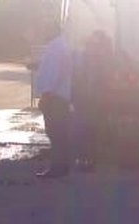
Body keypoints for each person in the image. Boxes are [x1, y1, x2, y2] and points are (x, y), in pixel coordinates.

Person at [33, 26, 74, 178]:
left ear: (53, 31)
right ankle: (63, 166)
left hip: (55, 97)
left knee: (55, 133)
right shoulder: (61, 45)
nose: (43, 32)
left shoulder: (55, 48)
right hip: (60, 96)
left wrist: (46, 95)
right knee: (60, 133)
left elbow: (53, 74)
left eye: (46, 29)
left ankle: (57, 167)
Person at [71, 30, 113, 172]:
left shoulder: (105, 62)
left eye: (96, 45)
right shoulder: (81, 59)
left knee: (93, 131)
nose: (93, 48)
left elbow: (106, 83)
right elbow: (75, 78)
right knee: (81, 130)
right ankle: (82, 159)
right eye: (91, 44)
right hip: (82, 101)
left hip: (97, 102)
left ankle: (91, 160)